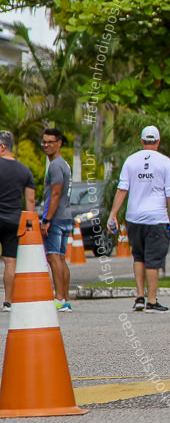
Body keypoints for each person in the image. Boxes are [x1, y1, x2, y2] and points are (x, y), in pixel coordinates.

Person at [107, 126, 170, 313]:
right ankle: (152, 301)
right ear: (158, 141)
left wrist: (113, 214)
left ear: (141, 141)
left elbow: (122, 189)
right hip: (156, 218)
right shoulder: (165, 162)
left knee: (138, 257)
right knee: (153, 260)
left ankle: (139, 297)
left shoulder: (131, 160)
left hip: (134, 218)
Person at [0, 131, 35, 312]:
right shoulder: (24, 170)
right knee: (10, 261)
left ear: (2, 146)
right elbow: (30, 202)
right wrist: (30, 226)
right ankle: (8, 302)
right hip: (14, 221)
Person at [40, 127, 74, 312]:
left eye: (50, 142)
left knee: (54, 258)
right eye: (44, 142)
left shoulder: (55, 165)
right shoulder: (64, 164)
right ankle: (65, 298)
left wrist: (47, 219)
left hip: (57, 218)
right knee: (60, 259)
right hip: (66, 216)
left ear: (59, 143)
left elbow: (56, 193)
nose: (46, 145)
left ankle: (60, 298)